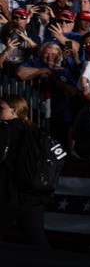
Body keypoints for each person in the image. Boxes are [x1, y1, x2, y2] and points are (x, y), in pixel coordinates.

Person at [0, 95, 51, 247]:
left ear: (13, 111)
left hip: (7, 194)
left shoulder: (4, 129)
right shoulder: (34, 130)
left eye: (1, 108)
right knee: (38, 242)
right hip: (32, 194)